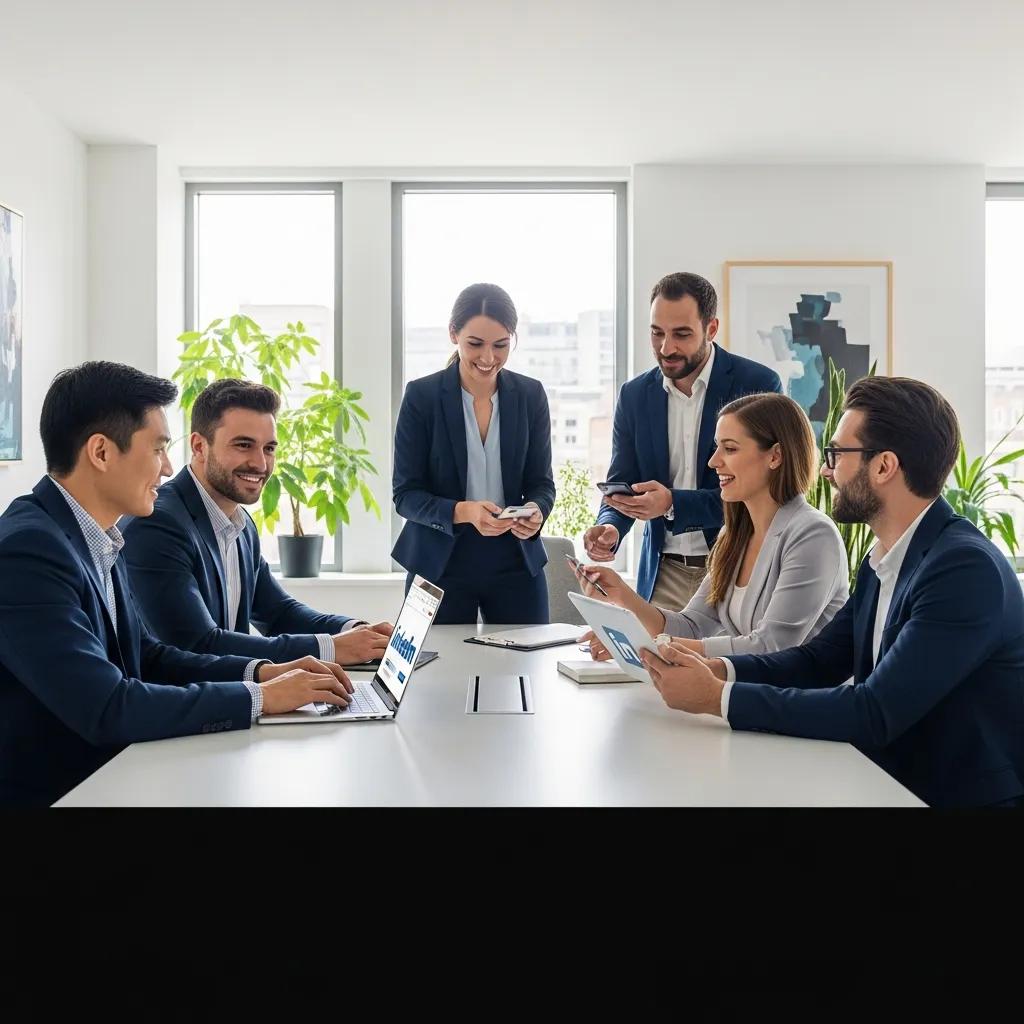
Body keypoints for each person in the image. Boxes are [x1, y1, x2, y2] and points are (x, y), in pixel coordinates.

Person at [636, 376, 1024, 808]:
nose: (824, 469)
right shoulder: (884, 559)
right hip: (888, 779)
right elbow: (818, 661)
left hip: (954, 798)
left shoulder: (962, 569)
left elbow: (875, 711)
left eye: (837, 454)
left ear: (883, 466)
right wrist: (719, 670)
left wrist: (717, 698)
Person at [0, 362, 354, 807]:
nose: (168, 468)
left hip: (115, 774)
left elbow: (150, 656)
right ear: (102, 453)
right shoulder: (29, 551)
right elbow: (108, 705)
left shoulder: (96, 534)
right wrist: (260, 697)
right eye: (158, 448)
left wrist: (264, 673)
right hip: (63, 794)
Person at [122, 379, 393, 665]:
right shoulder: (157, 524)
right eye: (243, 445)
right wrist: (332, 648)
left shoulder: (240, 523)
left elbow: (278, 614)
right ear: (199, 446)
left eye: (269, 448)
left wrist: (359, 632)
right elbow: (197, 645)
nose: (261, 464)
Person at [578, 392, 848, 658]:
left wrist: (649, 645)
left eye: (729, 449)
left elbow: (772, 647)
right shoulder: (734, 534)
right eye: (717, 447)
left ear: (775, 456)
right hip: (751, 693)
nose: (713, 461)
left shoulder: (813, 535)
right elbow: (693, 626)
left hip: (797, 699)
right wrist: (622, 596)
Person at [583, 271, 783, 610]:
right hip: (664, 574)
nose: (666, 348)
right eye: (657, 333)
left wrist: (672, 503)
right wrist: (611, 526)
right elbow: (623, 484)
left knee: (727, 662)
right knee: (652, 661)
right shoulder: (634, 396)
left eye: (681, 334)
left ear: (712, 328)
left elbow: (764, 490)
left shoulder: (757, 385)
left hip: (737, 565)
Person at [392, 283, 555, 624]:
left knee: (525, 672)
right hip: (439, 563)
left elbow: (542, 484)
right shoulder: (422, 397)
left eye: (501, 345)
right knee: (437, 674)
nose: (488, 358)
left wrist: (535, 510)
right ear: (453, 334)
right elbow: (406, 495)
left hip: (516, 564)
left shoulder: (531, 395)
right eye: (475, 344)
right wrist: (464, 511)